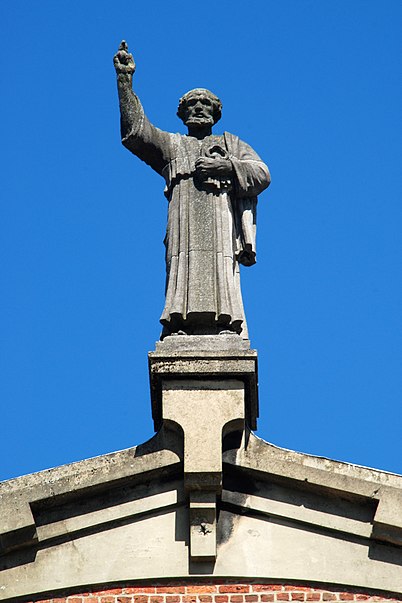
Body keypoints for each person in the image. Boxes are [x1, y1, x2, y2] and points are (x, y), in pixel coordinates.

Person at [114, 41, 271, 339]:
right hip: (182, 224)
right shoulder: (172, 145)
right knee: (181, 272)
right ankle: (179, 325)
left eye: (205, 104)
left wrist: (227, 167)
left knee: (221, 274)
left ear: (216, 112)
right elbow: (136, 133)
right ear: (182, 113)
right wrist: (124, 82)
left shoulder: (231, 144)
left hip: (220, 224)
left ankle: (226, 326)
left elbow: (262, 173)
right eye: (192, 104)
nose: (198, 107)